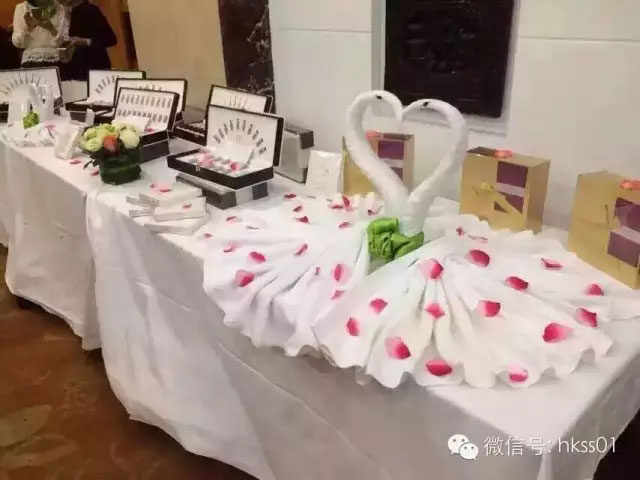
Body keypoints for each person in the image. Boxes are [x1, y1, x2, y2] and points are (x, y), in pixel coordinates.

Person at [58, 0, 117, 81]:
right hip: (72, 70)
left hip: (94, 68)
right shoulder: (62, 14)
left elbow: (110, 39)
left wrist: (85, 41)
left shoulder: (90, 10)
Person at [11, 0, 68, 69]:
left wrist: (51, 29)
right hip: (29, 61)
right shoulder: (21, 8)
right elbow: (18, 43)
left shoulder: (59, 8)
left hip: (55, 60)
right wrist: (29, 28)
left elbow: (64, 43)